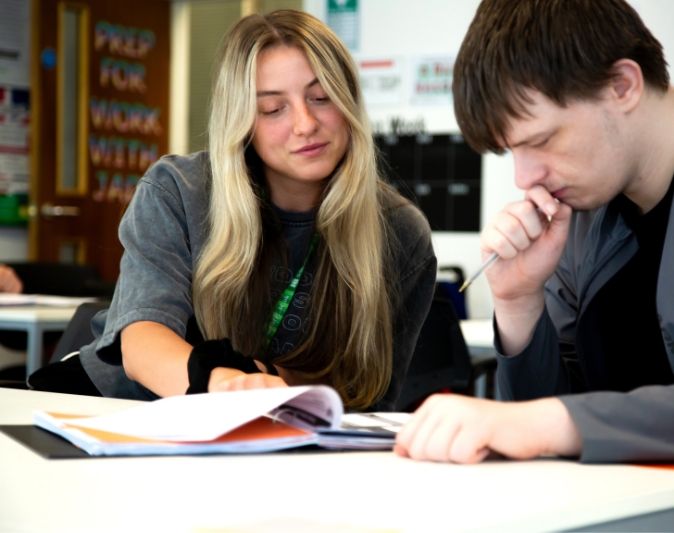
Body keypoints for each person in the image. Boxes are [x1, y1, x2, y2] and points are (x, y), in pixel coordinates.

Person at [395, 0, 674, 463]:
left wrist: (552, 424)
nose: (525, 178)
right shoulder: (586, 203)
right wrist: (519, 302)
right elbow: (540, 434)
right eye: (512, 151)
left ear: (622, 85)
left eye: (542, 140)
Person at [29, 10, 436, 410]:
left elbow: (370, 391)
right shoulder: (179, 191)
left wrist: (262, 382)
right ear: (241, 120)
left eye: (322, 97)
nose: (306, 124)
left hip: (279, 430)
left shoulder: (399, 231)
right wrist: (229, 387)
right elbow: (142, 343)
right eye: (273, 109)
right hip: (125, 411)